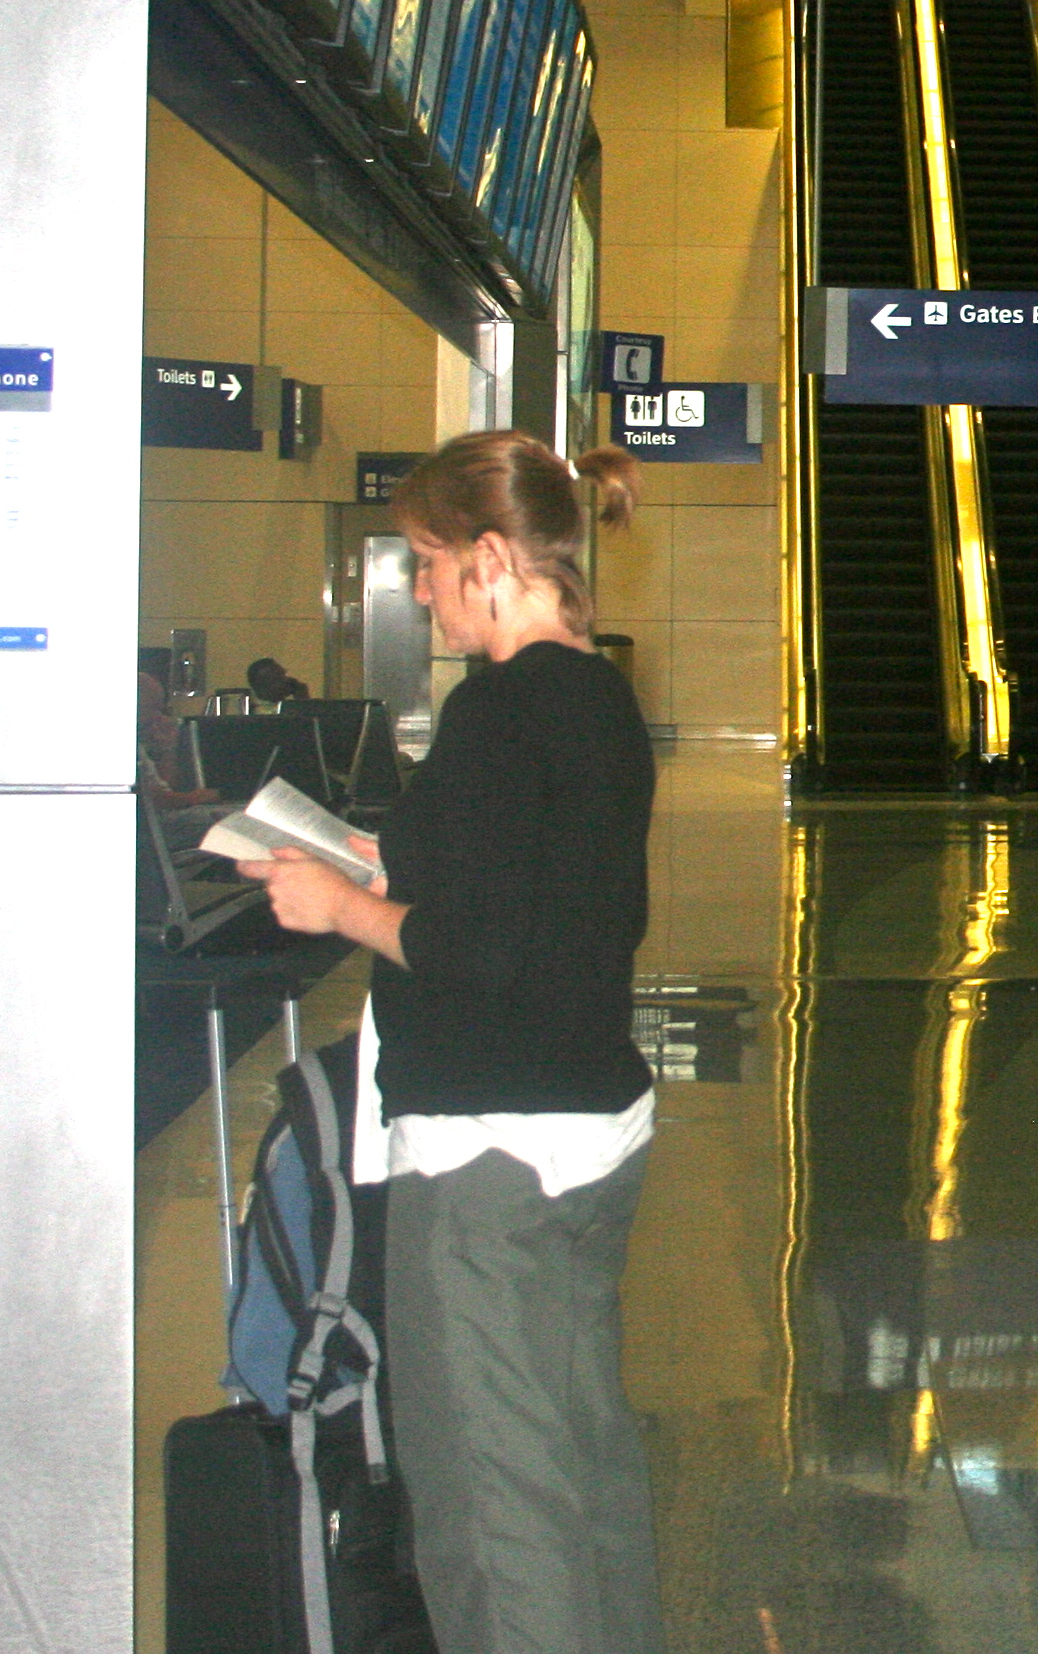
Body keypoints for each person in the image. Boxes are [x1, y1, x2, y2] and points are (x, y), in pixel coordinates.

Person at [237, 430, 664, 1654]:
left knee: (492, 1503)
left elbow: (478, 948)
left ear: (488, 557)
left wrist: (340, 908)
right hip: (585, 1127)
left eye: (427, 562)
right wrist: (390, 862)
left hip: (488, 1154)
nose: (421, 590)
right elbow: (549, 893)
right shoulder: (598, 695)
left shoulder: (498, 708)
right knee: (579, 1463)